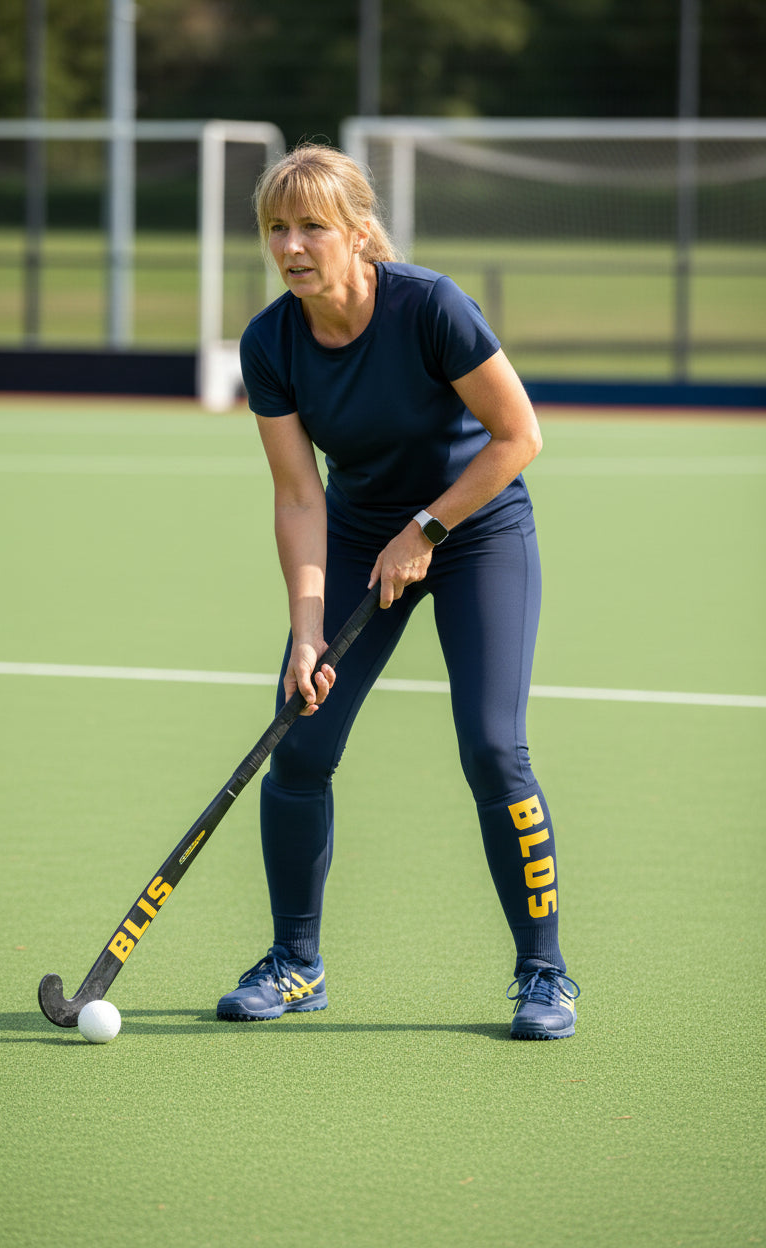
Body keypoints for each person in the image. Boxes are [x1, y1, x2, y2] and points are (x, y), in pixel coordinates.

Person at [216, 143, 579, 1039]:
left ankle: (546, 976)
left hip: (476, 530)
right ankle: (296, 964)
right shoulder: (270, 342)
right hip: (354, 534)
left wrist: (426, 529)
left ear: (357, 231)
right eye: (276, 228)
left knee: (494, 748)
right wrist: (307, 632)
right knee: (299, 741)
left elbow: (518, 436)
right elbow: (299, 495)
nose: (292, 246)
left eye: (312, 226)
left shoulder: (429, 306)